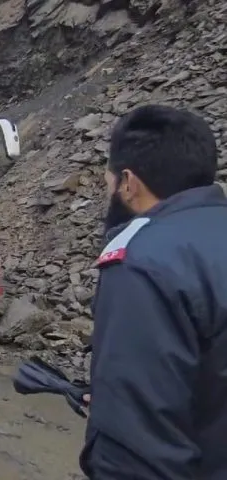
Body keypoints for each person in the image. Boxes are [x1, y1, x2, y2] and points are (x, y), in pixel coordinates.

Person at [80, 104, 226, 479]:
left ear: (129, 183)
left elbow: (137, 450)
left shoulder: (142, 260)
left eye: (109, 182)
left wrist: (119, 406)